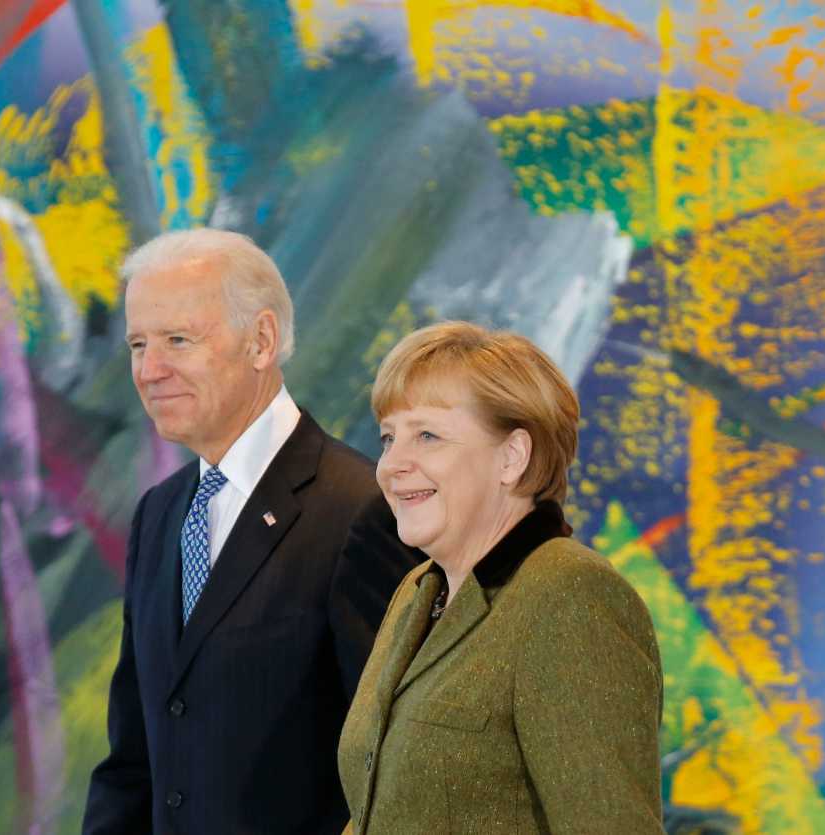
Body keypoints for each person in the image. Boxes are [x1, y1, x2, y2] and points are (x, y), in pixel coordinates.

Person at [84, 228, 419, 835]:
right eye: (137, 345)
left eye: (177, 340)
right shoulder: (159, 513)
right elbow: (135, 759)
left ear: (261, 341)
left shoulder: (361, 510)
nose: (149, 370)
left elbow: (396, 764)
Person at [338, 321, 665, 834]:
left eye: (426, 435)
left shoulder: (570, 596)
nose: (391, 464)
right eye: (388, 438)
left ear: (512, 457)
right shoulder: (417, 590)